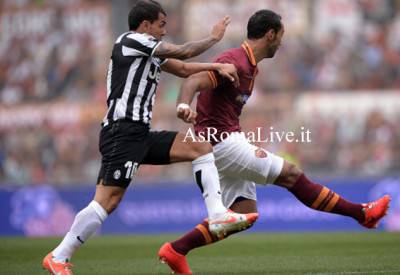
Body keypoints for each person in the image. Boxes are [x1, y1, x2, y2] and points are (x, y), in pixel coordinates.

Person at [158, 9, 391, 275]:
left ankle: (176, 250)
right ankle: (362, 213)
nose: (281, 42)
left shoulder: (250, 66)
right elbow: (193, 80)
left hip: (223, 142)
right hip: (220, 143)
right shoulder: (235, 61)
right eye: (280, 36)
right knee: (291, 174)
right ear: (270, 34)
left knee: (243, 215)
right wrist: (182, 106)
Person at [42, 1, 258, 274]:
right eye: (161, 25)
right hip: (121, 132)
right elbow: (183, 51)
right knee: (107, 200)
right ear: (145, 25)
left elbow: (180, 67)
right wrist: (214, 38)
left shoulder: (147, 50)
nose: (164, 31)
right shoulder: (131, 40)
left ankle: (217, 214)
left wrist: (215, 68)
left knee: (200, 147)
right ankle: (59, 256)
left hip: (139, 133)